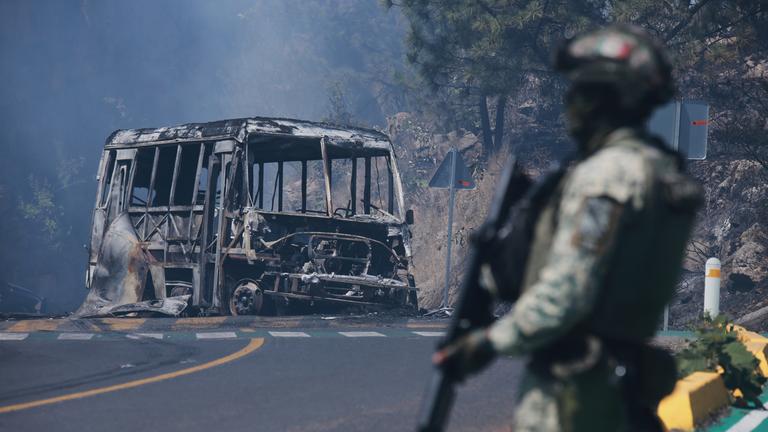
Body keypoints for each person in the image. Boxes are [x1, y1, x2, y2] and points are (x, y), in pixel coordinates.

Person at [434, 24, 703, 431]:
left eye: (579, 92)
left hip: (575, 394)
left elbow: (569, 291)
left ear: (601, 99)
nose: (570, 106)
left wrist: (487, 343)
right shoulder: (661, 171)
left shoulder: (607, 177)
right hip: (622, 385)